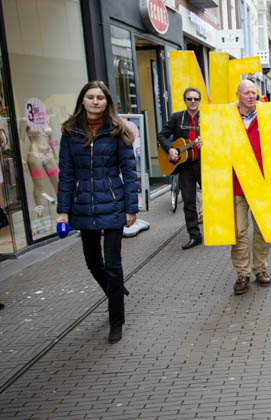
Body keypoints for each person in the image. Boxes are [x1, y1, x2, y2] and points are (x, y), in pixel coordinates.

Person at [56, 81, 137, 343]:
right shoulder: (70, 132)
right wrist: (62, 212)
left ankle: (117, 320)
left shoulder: (117, 130)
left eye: (100, 98)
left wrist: (131, 208)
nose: (95, 101)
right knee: (93, 262)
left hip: (112, 204)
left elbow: (129, 171)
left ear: (107, 102)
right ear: (82, 100)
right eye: (90, 97)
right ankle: (115, 291)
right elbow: (66, 175)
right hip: (83, 206)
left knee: (113, 265)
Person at [230, 80, 271, 294]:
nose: (252, 96)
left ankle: (260, 269)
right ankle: (242, 274)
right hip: (237, 184)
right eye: (247, 92)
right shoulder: (227, 118)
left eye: (254, 92)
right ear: (238, 95)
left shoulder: (267, 115)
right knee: (239, 231)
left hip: (262, 183)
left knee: (262, 230)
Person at [157, 87, 204, 249]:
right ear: (184, 100)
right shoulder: (177, 118)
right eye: (189, 99)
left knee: (212, 199)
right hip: (185, 167)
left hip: (203, 164)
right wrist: (170, 148)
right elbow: (161, 135)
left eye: (196, 99)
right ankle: (194, 235)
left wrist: (205, 144)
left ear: (199, 101)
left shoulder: (206, 118)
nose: (193, 102)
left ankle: (215, 232)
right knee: (189, 202)